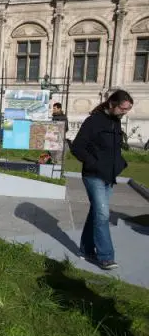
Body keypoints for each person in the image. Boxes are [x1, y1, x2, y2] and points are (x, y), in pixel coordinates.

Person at [71, 90, 134, 270]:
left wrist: (120, 163)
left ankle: (86, 249)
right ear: (112, 104)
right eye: (122, 108)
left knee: (96, 214)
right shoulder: (93, 122)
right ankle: (106, 256)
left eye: (127, 110)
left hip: (109, 176)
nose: (124, 112)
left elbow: (114, 150)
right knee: (103, 214)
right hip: (93, 176)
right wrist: (95, 164)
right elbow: (77, 148)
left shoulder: (116, 122)